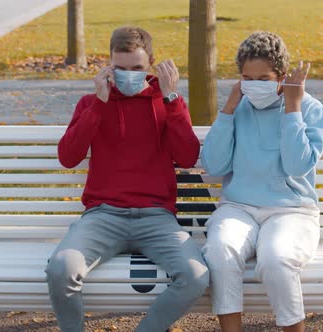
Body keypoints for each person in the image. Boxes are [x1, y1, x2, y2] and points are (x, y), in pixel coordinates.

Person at [44, 26, 209, 332]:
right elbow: (68, 157)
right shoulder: (91, 103)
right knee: (60, 269)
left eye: (137, 68)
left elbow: (187, 157)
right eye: (121, 68)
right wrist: (99, 104)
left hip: (157, 218)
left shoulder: (168, 102)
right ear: (109, 65)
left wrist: (171, 99)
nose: (129, 75)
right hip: (103, 216)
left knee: (196, 275)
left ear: (152, 65)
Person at [201, 31, 323, 332]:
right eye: (247, 78)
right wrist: (228, 111)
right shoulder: (239, 107)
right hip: (238, 207)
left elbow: (298, 166)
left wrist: (293, 109)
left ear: (282, 77)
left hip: (292, 211)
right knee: (220, 252)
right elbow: (216, 165)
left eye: (263, 78)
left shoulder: (310, 108)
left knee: (277, 258)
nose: (254, 86)